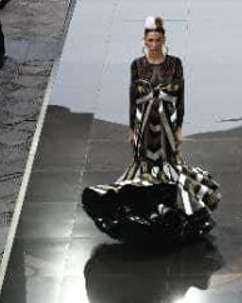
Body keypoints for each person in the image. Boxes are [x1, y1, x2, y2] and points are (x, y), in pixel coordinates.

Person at [81, 16, 220, 241]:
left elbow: (180, 96)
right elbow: (133, 97)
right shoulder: (137, 65)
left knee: (170, 164)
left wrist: (179, 126)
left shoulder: (175, 63)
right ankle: (146, 208)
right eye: (150, 40)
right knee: (145, 165)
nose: (154, 44)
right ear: (144, 41)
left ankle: (175, 211)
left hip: (167, 121)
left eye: (157, 39)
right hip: (144, 121)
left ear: (164, 39)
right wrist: (131, 128)